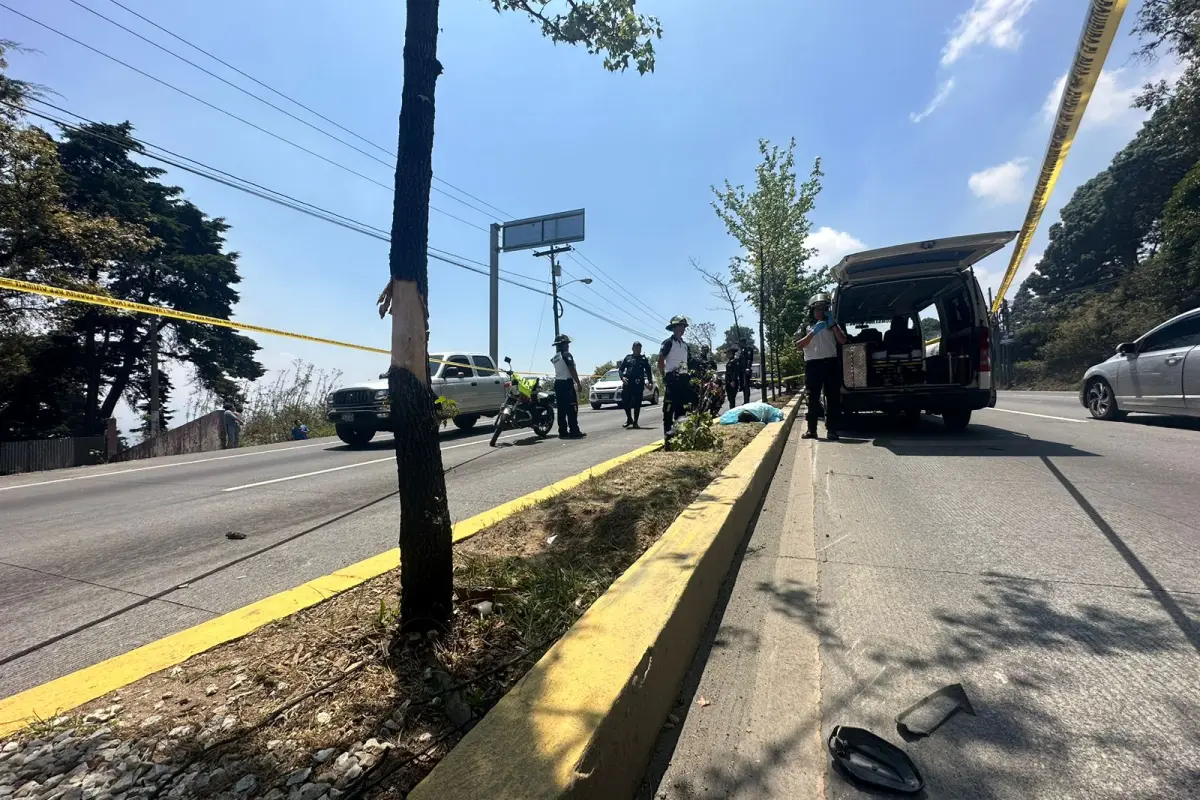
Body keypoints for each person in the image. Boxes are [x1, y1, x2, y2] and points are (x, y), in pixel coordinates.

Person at [795, 293, 847, 441]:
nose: (821, 311)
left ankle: (832, 430)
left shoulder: (832, 324)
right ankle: (812, 430)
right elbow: (799, 345)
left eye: (824, 309)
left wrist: (834, 325)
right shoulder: (805, 326)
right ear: (812, 310)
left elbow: (842, 340)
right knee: (812, 399)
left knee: (832, 398)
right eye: (818, 309)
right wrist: (813, 332)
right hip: (813, 365)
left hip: (830, 363)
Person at [658, 315, 695, 443]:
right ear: (674, 328)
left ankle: (679, 438)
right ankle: (668, 440)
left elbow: (688, 362)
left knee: (682, 411)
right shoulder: (668, 342)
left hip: (683, 380)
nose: (683, 329)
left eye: (684, 326)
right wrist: (664, 376)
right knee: (669, 411)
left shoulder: (685, 345)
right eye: (680, 326)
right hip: (672, 380)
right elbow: (661, 360)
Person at [550, 334, 586, 439]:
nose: (568, 346)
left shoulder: (555, 357)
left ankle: (563, 432)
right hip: (567, 384)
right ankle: (574, 431)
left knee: (561, 409)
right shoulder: (566, 355)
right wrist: (578, 383)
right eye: (566, 343)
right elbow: (571, 369)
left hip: (558, 383)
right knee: (572, 408)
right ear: (563, 344)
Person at [619, 341, 653, 429]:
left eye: (639, 348)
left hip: (638, 383)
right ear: (632, 348)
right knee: (625, 402)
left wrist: (650, 382)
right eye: (636, 347)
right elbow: (621, 369)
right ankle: (629, 419)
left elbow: (648, 371)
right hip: (628, 383)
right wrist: (622, 377)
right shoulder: (628, 358)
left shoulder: (643, 359)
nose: (638, 349)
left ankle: (635, 422)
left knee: (637, 403)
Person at [725, 345, 743, 410]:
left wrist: (732, 380)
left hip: (732, 382)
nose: (727, 354)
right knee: (730, 399)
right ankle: (731, 410)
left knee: (732, 399)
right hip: (728, 382)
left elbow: (735, 372)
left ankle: (732, 411)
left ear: (732, 353)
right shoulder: (729, 362)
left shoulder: (735, 361)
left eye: (728, 353)